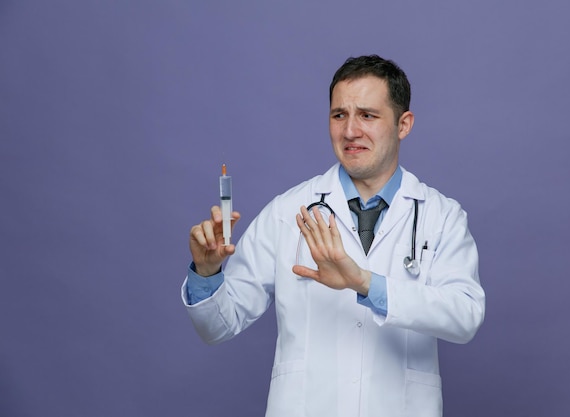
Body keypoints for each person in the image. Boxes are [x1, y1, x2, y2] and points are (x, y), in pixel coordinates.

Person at [182, 55, 486, 417]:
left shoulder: (440, 215)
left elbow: (465, 316)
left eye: (368, 116)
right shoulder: (288, 212)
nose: (350, 131)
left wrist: (365, 283)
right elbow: (218, 326)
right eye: (339, 115)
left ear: (404, 124)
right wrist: (206, 274)